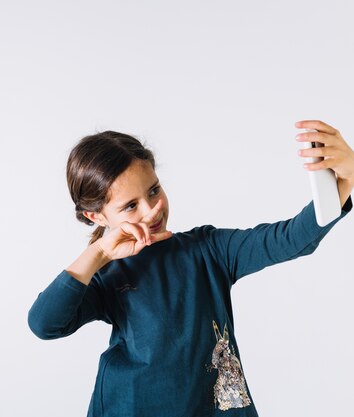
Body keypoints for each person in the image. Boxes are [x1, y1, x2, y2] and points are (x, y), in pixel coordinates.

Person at [27, 120, 354, 417]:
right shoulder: (106, 275)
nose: (152, 209)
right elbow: (45, 324)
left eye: (154, 190)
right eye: (130, 205)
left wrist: (345, 179)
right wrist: (99, 253)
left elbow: (290, 239)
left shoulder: (209, 250)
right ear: (96, 216)